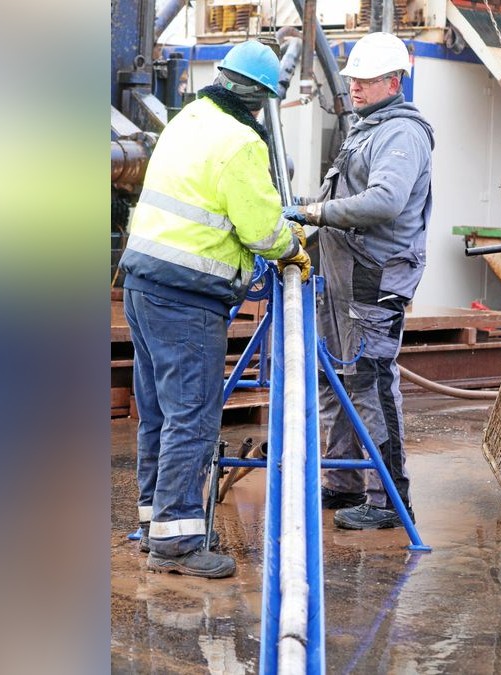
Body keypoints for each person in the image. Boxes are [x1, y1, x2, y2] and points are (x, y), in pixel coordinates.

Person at [119, 40, 310, 578]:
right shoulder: (242, 142)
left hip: (142, 286)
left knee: (158, 413)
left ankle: (156, 522)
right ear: (263, 100)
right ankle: (176, 544)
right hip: (187, 299)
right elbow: (261, 229)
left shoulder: (189, 118)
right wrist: (292, 247)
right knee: (193, 420)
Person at [284, 32, 435, 530]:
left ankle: (390, 497)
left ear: (394, 81)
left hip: (374, 279)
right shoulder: (367, 127)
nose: (355, 89)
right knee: (339, 380)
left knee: (370, 382)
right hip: (343, 279)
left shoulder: (401, 134)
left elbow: (384, 202)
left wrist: (315, 212)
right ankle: (345, 481)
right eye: (353, 80)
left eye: (366, 81)